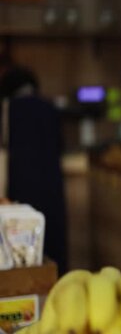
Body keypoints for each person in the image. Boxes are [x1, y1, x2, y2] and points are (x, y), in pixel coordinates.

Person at [0, 65, 68, 274]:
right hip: (52, 185)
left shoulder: (8, 109)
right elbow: (60, 146)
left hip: (22, 184)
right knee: (54, 239)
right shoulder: (50, 107)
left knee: (24, 244)